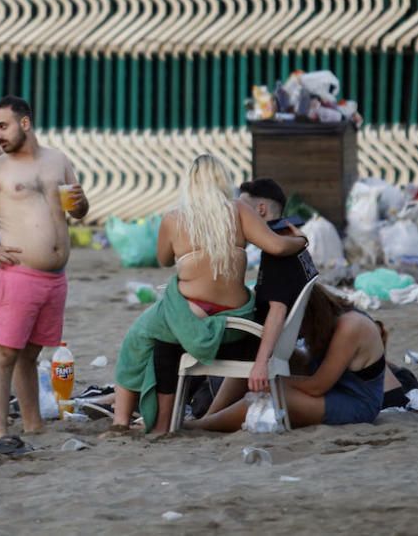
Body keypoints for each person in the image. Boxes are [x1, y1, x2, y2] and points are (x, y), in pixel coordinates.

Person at [111, 157, 308, 434]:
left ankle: (124, 420)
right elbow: (276, 246)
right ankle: (147, 420)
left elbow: (164, 259)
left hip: (191, 319)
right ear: (222, 182)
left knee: (137, 338)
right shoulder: (238, 210)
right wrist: (300, 240)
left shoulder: (174, 219)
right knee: (161, 342)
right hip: (236, 321)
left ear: (189, 185)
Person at [0, 95, 88, 455]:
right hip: (17, 274)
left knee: (31, 355)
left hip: (55, 278)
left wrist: (82, 203)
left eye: (4, 126)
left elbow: (80, 212)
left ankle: (33, 424)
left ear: (25, 123)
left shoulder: (59, 160)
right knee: (5, 354)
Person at [152, 177, 319, 420]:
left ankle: (155, 419)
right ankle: (194, 414)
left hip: (256, 342)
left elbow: (277, 310)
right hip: (271, 341)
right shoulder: (289, 241)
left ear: (259, 210)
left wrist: (261, 364)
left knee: (165, 340)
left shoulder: (278, 254)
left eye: (239, 210)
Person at [189, 284, 386, 431]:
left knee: (271, 399)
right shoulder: (330, 321)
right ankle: (210, 416)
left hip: (355, 403)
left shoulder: (350, 326)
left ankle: (203, 426)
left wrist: (275, 383)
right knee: (258, 361)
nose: (299, 336)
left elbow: (319, 386)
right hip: (331, 387)